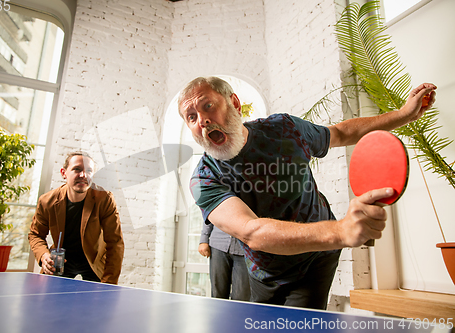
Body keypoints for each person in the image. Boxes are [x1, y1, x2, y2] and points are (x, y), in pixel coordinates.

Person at [178, 76, 436, 309]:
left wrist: (404, 115)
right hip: (265, 272)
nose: (202, 120)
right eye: (191, 117)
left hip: (317, 260)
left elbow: (340, 133)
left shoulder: (284, 129)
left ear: (234, 103)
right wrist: (341, 231)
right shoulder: (203, 180)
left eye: (208, 106)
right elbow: (251, 231)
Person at [28, 151, 124, 284]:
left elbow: (115, 242)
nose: (83, 175)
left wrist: (109, 283)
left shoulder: (104, 199)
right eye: (77, 169)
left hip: (94, 261)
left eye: (89, 171)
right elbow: (35, 234)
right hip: (61, 261)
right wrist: (44, 255)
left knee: (99, 303)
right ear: (64, 173)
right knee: (47, 300)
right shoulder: (47, 201)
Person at [199, 222, 250, 301]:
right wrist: (204, 240)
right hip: (218, 245)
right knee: (217, 295)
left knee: (241, 297)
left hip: (245, 248)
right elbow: (209, 213)